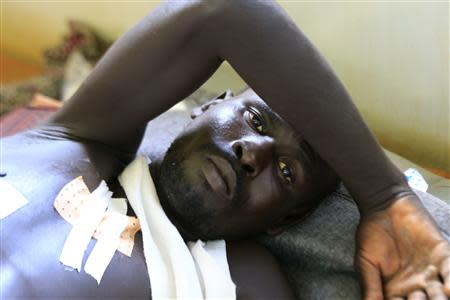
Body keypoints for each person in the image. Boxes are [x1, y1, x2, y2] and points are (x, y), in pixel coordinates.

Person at [1, 0, 449, 299]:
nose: (252, 154)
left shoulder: (241, 281)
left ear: (286, 219)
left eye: (288, 171)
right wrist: (386, 196)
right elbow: (229, 10)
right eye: (255, 120)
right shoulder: (78, 136)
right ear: (208, 105)